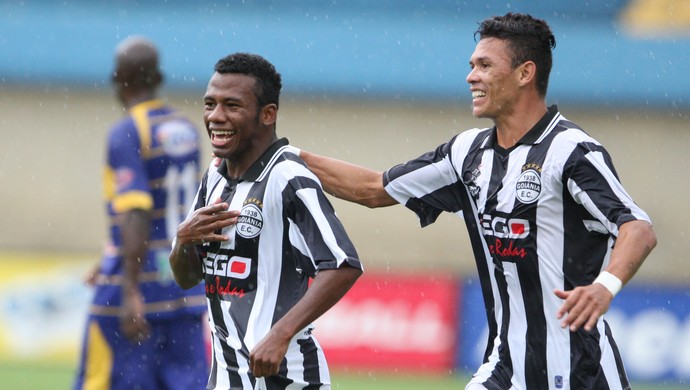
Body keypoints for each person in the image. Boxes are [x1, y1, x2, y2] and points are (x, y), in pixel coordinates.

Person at [299, 12, 657, 390]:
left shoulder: (572, 152)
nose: (471, 76)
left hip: (582, 373)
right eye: (472, 66)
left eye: (485, 65)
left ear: (525, 73)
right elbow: (373, 188)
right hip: (505, 369)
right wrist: (285, 157)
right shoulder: (466, 154)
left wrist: (604, 286)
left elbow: (637, 228)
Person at [168, 52, 363, 389]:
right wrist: (184, 240)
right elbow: (187, 278)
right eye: (209, 104)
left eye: (231, 105)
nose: (216, 116)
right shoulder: (214, 176)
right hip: (227, 379)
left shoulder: (287, 177)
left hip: (287, 379)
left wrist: (280, 335)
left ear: (267, 114)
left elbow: (343, 264)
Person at [74, 36, 209, 390]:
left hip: (140, 292)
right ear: (159, 76)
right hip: (184, 290)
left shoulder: (127, 131)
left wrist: (128, 287)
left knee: (102, 382)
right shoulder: (188, 130)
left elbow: (137, 212)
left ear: (119, 77)